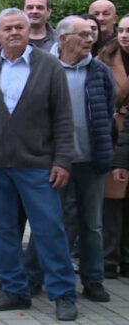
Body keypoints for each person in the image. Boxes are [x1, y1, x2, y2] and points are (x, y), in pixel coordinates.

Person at [0, 8, 78, 321]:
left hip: (37, 164)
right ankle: (14, 290)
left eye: (19, 28)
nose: (14, 32)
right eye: (8, 28)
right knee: (2, 232)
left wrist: (63, 160)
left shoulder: (50, 66)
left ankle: (63, 294)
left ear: (29, 32)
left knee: (49, 230)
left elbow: (64, 118)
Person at [21, 15, 114, 303]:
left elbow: (107, 109)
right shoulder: (42, 68)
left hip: (90, 160)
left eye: (91, 34)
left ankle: (93, 280)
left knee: (92, 224)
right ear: (63, 39)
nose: (90, 39)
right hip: (52, 161)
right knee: (46, 221)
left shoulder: (100, 71)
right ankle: (33, 276)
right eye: (83, 34)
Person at [98, 14, 129, 279]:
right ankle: (109, 257)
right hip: (114, 133)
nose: (125, 35)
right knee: (112, 201)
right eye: (122, 30)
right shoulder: (105, 58)